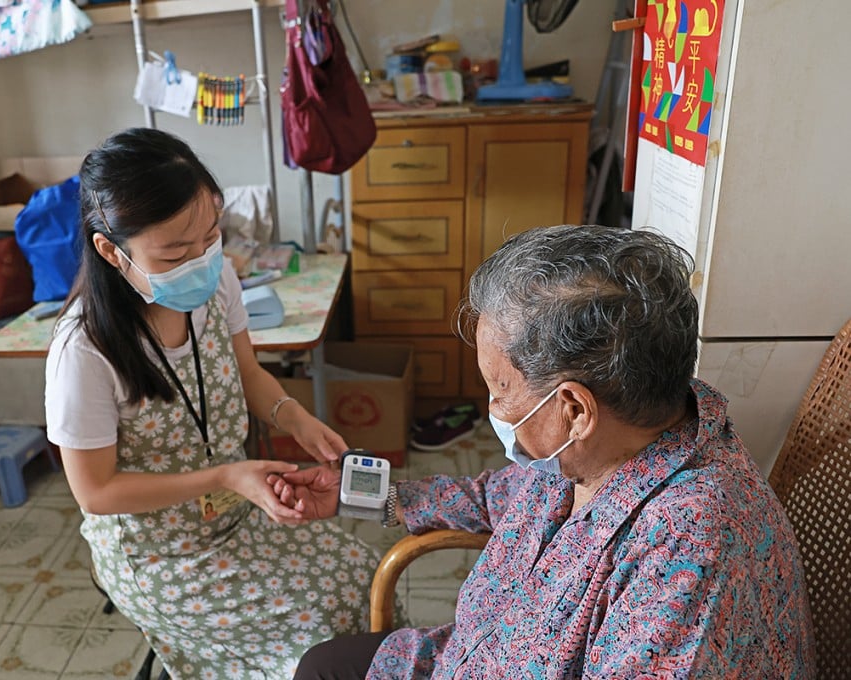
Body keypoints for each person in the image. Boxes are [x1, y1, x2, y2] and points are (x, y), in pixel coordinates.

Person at [275, 225, 815, 679]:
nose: (491, 407)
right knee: (323, 666)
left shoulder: (690, 542)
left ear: (575, 409)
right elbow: (495, 496)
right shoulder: (600, 443)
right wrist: (377, 498)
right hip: (466, 657)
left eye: (500, 388)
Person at [44, 127, 381, 679]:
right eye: (175, 250)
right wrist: (225, 477)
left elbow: (249, 372)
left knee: (366, 580)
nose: (201, 258)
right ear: (111, 250)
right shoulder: (83, 352)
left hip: (237, 514)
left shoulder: (217, 280)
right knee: (318, 630)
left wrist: (293, 415)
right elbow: (96, 492)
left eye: (209, 235)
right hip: (160, 556)